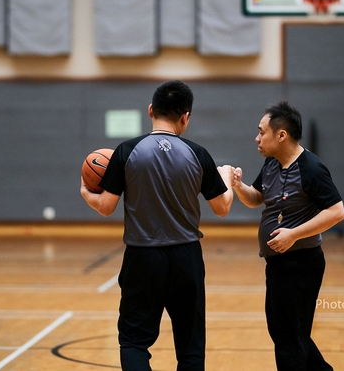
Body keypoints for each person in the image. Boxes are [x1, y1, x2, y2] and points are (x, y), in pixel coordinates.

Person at [80, 80, 234, 371]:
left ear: (151, 110)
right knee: (190, 348)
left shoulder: (126, 151)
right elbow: (222, 207)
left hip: (142, 258)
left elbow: (106, 207)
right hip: (186, 258)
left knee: (134, 342)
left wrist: (86, 193)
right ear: (186, 116)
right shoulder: (198, 154)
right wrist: (226, 177)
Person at [231, 101, 344, 371]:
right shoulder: (271, 164)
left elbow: (337, 212)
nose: (256, 138)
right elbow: (257, 197)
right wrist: (238, 186)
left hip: (302, 263)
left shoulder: (312, 168)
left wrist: (293, 234)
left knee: (289, 341)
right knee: (289, 335)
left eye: (262, 132)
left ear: (281, 135)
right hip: (278, 264)